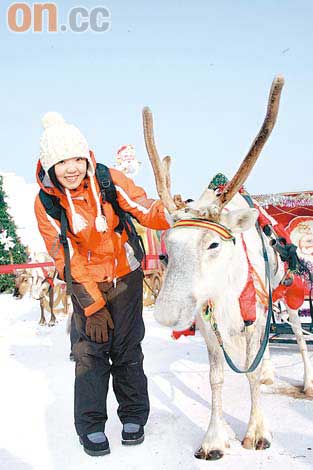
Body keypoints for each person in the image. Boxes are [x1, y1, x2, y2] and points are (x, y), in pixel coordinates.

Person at [34, 112, 170, 457]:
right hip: (86, 284)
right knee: (89, 354)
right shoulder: (47, 202)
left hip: (125, 275)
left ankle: (134, 416)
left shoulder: (108, 179)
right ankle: (91, 425)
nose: (72, 167)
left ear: (86, 156)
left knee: (127, 349)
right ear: (50, 166)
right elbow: (65, 257)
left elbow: (143, 206)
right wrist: (92, 307)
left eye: (77, 158)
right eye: (62, 161)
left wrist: (169, 211)